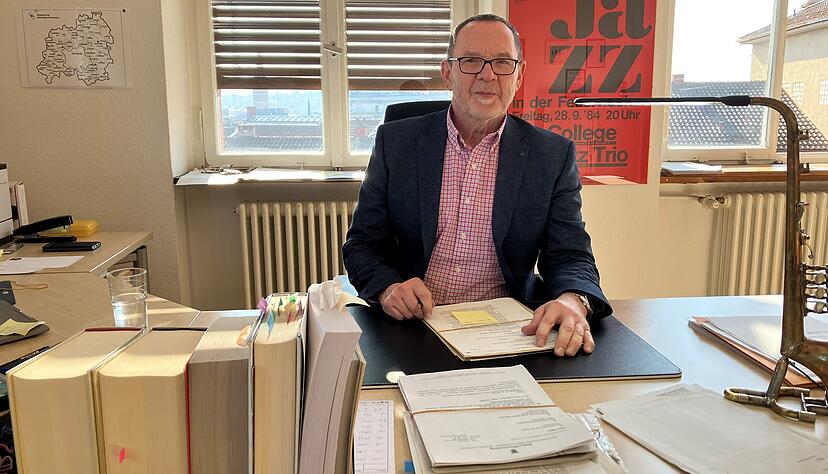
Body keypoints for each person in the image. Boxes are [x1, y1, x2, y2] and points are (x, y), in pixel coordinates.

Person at [343, 14, 611, 357]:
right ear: (447, 73)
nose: (488, 75)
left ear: (519, 75)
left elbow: (571, 255)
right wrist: (387, 288)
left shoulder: (551, 156)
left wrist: (573, 300)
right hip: (412, 326)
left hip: (509, 331)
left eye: (502, 62)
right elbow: (362, 244)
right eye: (471, 61)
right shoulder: (396, 143)